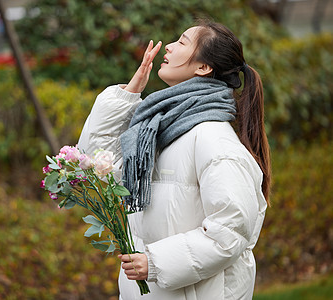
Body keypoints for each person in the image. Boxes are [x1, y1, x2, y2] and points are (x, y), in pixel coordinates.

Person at [78, 20, 271, 300]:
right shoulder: (158, 130)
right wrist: (127, 95)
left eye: (181, 42)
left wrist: (155, 262)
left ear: (203, 68)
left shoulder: (214, 139)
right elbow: (96, 165)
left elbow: (231, 231)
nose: (168, 46)